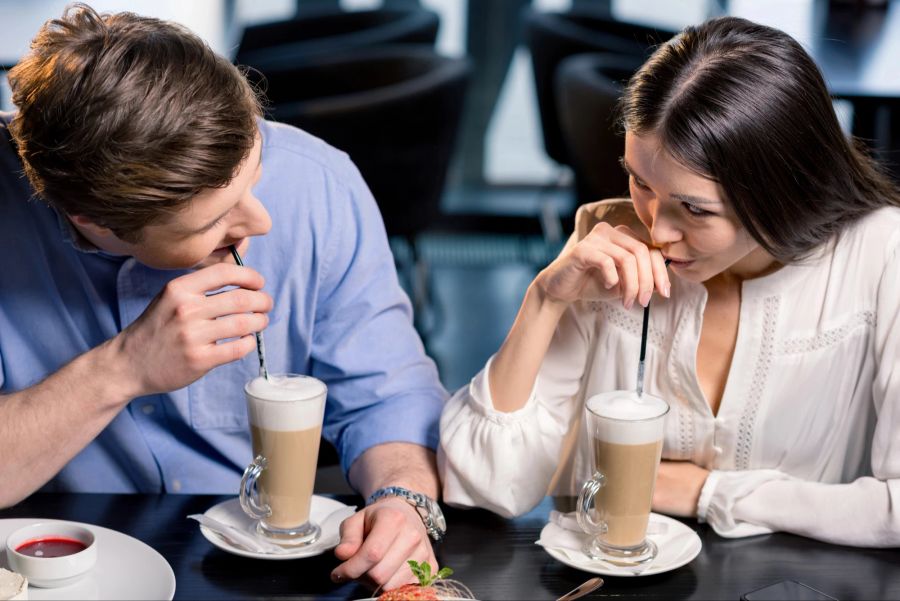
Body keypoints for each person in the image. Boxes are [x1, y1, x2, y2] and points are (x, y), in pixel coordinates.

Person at [0, 4, 448, 588]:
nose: (260, 222)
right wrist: (126, 367)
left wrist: (401, 499)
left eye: (254, 175)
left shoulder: (319, 186)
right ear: (92, 219)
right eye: (212, 221)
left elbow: (389, 400)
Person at [439, 16, 900, 547]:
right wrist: (544, 299)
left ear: (782, 191)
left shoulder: (879, 254)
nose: (657, 229)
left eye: (695, 210)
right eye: (639, 180)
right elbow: (482, 484)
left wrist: (710, 492)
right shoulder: (605, 244)